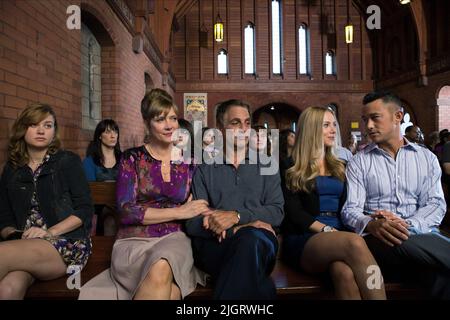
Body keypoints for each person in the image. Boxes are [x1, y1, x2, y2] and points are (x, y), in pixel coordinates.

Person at [79, 89, 208, 300]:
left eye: (173, 118)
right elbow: (127, 211)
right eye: (160, 119)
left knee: (161, 266)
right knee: (170, 293)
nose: (169, 126)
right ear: (147, 123)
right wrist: (179, 211)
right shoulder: (132, 158)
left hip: (173, 239)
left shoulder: (190, 162)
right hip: (132, 241)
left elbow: (199, 205)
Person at [342, 90, 450, 299]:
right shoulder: (359, 161)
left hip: (420, 236)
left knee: (443, 277)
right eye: (365, 120)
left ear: (398, 117)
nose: (369, 126)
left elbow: (436, 203)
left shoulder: (426, 158)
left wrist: (408, 225)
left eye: (375, 118)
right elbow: (350, 210)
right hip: (379, 240)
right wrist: (371, 224)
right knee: (396, 238)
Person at [281, 106, 386, 300]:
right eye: (326, 125)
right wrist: (328, 231)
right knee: (355, 242)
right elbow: (294, 213)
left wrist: (370, 216)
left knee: (343, 272)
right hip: (305, 238)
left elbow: (352, 205)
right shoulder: (289, 166)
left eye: (334, 125)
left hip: (341, 234)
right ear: (311, 129)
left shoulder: (341, 165)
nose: (333, 130)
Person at [186, 99, 284, 300]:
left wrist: (236, 216)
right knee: (250, 257)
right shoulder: (204, 169)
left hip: (261, 242)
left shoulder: (267, 164)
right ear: (221, 129)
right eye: (235, 123)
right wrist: (236, 229)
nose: (244, 129)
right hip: (218, 246)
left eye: (247, 123)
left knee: (250, 242)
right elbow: (193, 222)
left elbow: (276, 212)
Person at [0, 103, 93, 299]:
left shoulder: (67, 161)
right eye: (34, 125)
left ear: (54, 132)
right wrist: (17, 234)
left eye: (48, 125)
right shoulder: (12, 169)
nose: (41, 130)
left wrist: (48, 232)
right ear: (22, 129)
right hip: (23, 243)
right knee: (8, 288)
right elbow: (4, 218)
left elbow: (84, 210)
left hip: (65, 242)